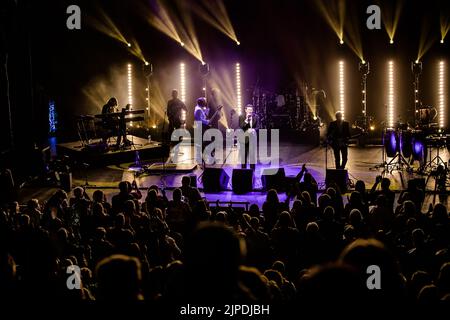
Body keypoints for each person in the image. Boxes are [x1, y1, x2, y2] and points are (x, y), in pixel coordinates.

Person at [239, 104, 257, 170]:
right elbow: (241, 126)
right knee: (244, 156)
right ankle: (243, 171)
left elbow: (258, 126)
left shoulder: (256, 116)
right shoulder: (241, 117)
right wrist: (246, 120)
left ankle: (253, 172)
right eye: (249, 110)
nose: (250, 111)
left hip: (252, 138)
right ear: (245, 110)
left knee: (252, 156)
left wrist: (253, 129)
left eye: (251, 110)